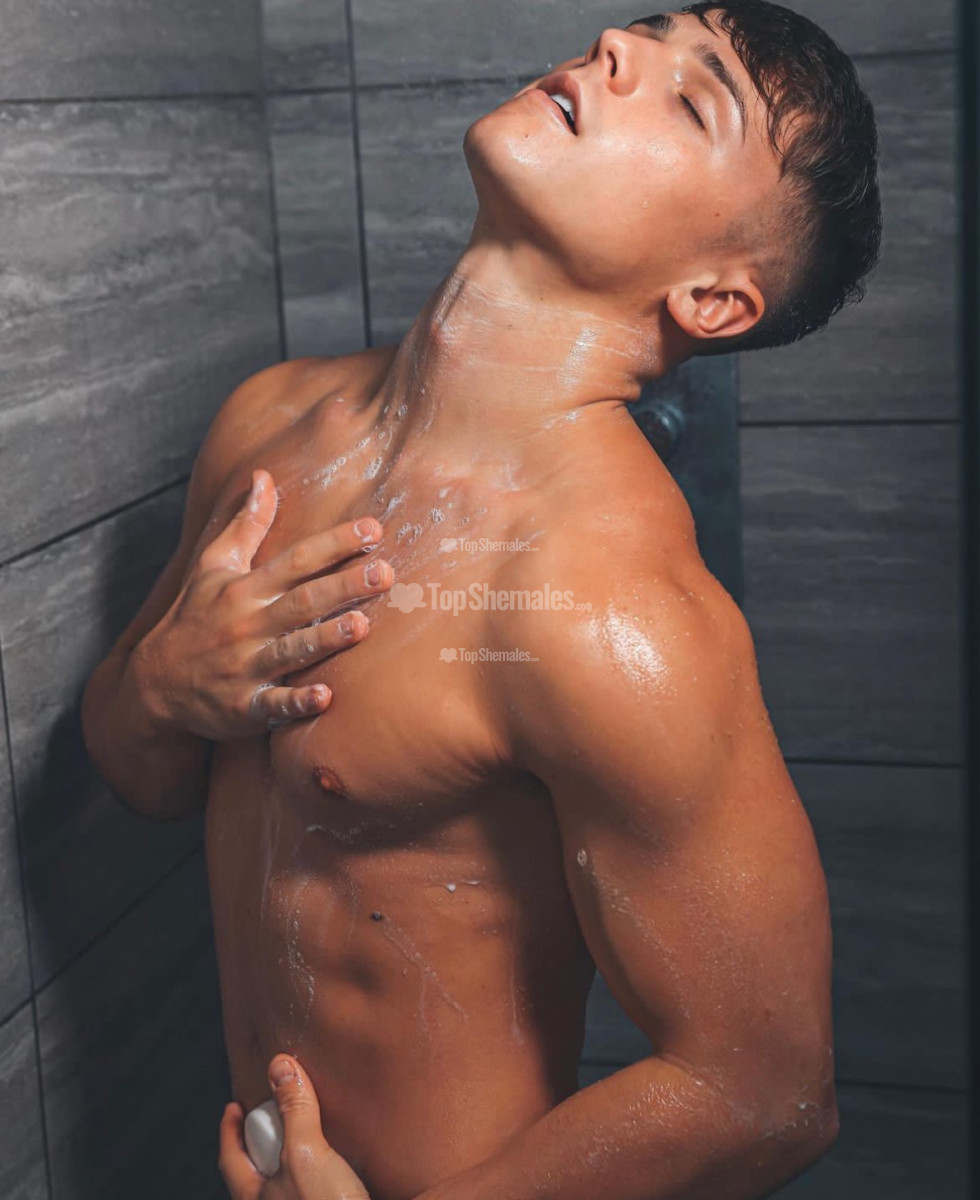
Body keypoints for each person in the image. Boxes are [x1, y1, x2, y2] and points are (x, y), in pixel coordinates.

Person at [81, 3, 881, 1198]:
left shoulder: (608, 608)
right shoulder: (269, 422)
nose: (615, 47)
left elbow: (767, 1092)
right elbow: (138, 774)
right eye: (643, 30)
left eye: (689, 98)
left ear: (713, 299)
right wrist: (161, 686)